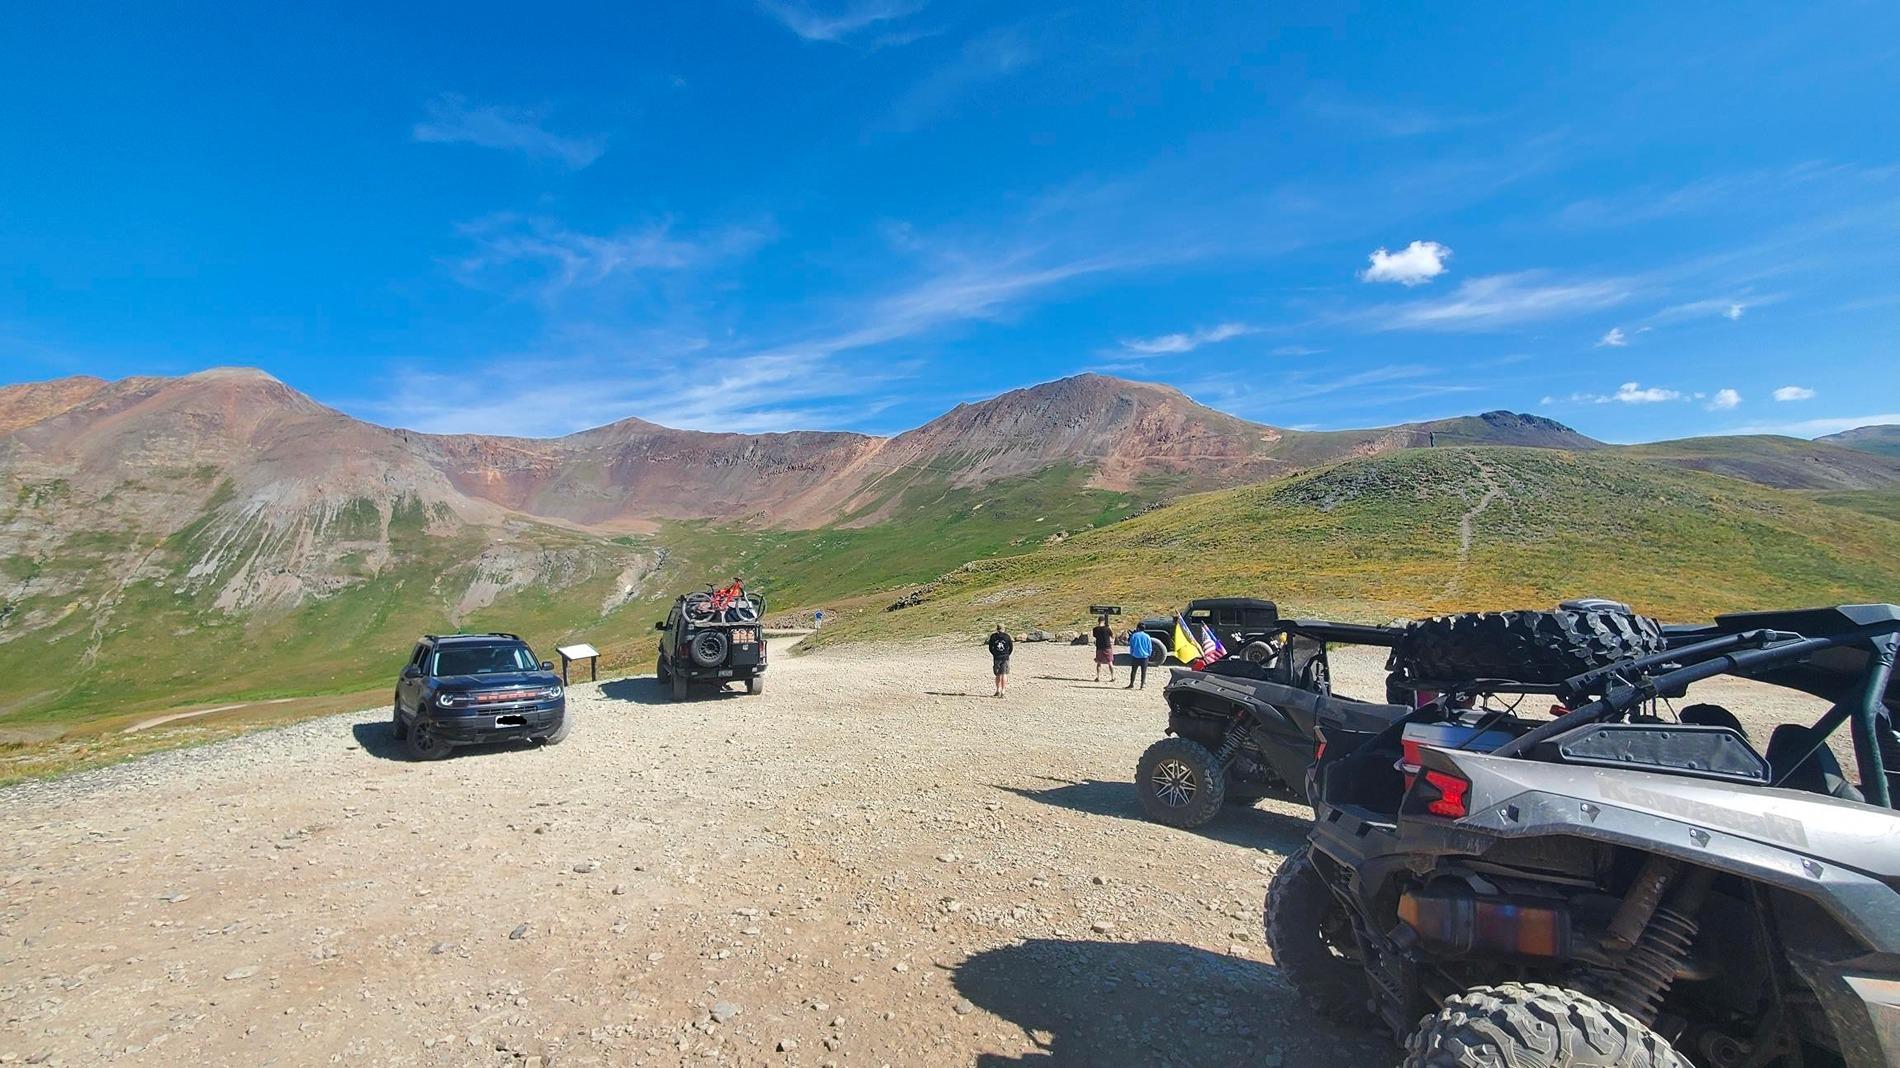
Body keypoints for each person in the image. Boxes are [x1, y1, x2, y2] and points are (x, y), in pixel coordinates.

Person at [987, 624, 1014, 698]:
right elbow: (1011, 647)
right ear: (1004, 629)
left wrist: (994, 654)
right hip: (1005, 657)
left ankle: (998, 690)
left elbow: (990, 648)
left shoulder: (993, 636)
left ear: (997, 628)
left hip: (997, 657)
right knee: (1004, 674)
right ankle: (1003, 691)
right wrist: (1007, 654)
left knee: (998, 674)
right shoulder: (1007, 636)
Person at [1091, 614, 1114, 682]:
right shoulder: (1107, 628)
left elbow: (1095, 636)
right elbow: (1112, 636)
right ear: (1104, 621)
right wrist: (1110, 629)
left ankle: (1098, 677)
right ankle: (1112, 677)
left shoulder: (1095, 629)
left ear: (1098, 621)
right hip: (1107, 647)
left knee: (1099, 662)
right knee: (1109, 662)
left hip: (1099, 647)